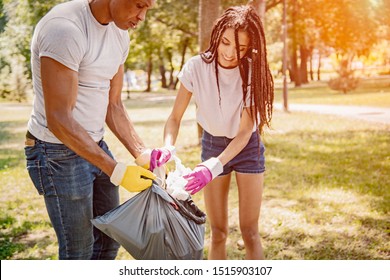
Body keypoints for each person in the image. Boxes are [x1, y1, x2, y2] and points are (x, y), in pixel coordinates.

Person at [24, 0, 175, 260]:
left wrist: (142, 153)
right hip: (55, 152)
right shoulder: (65, 29)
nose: (142, 17)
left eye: (148, 8)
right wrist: (115, 169)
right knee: (78, 251)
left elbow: (113, 104)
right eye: (139, 5)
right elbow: (59, 119)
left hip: (94, 144)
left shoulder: (120, 32)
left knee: (108, 242)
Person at [163, 5, 274, 259]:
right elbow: (174, 118)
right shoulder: (196, 67)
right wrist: (167, 148)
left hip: (247, 149)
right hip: (212, 143)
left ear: (249, 48)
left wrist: (211, 167)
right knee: (218, 231)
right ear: (217, 35)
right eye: (225, 42)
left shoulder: (252, 72)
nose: (229, 53)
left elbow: (246, 132)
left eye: (240, 48)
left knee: (249, 231)